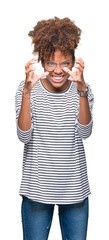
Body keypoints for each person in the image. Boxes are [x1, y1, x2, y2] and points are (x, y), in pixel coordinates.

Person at [15, 17, 94, 240]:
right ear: (42, 61)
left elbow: (85, 133)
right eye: (51, 63)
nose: (58, 70)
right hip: (36, 189)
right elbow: (24, 135)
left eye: (64, 63)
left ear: (73, 61)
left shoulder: (83, 89)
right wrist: (27, 94)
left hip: (74, 189)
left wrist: (81, 91)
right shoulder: (26, 88)